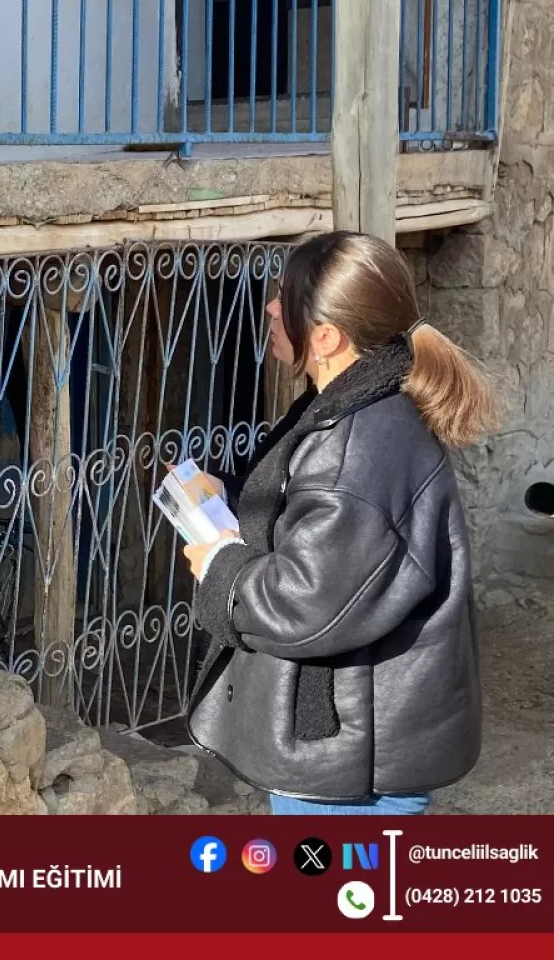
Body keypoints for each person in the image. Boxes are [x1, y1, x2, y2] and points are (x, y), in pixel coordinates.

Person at [182, 231, 496, 815]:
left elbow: (306, 601)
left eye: (284, 299)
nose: (270, 308)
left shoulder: (359, 446)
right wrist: (229, 493)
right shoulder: (354, 406)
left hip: (350, 768)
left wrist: (220, 566)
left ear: (326, 336)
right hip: (349, 744)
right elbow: (316, 518)